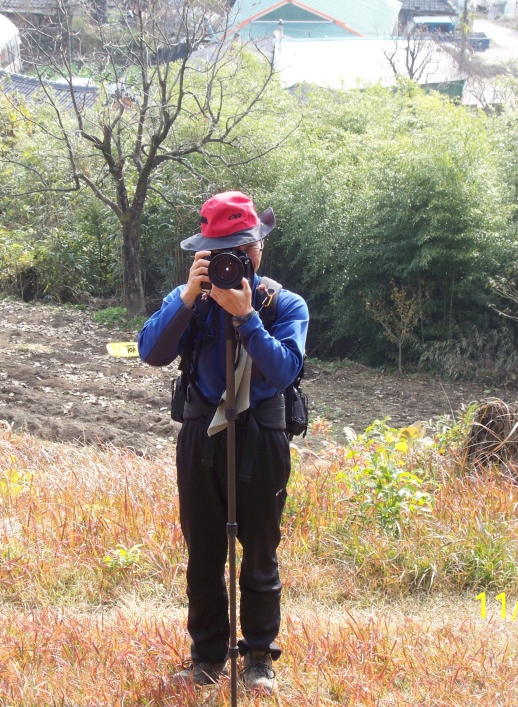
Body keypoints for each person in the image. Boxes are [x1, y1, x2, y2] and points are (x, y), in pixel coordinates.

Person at [137, 191, 309, 696]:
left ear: (259, 249)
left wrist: (247, 318)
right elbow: (151, 352)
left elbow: (283, 370)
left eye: (242, 248)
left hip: (262, 434)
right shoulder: (191, 297)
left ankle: (258, 656)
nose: (234, 259)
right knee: (203, 552)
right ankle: (207, 656)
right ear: (203, 253)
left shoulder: (284, 304)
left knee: (259, 550)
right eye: (220, 251)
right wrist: (190, 297)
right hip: (200, 435)